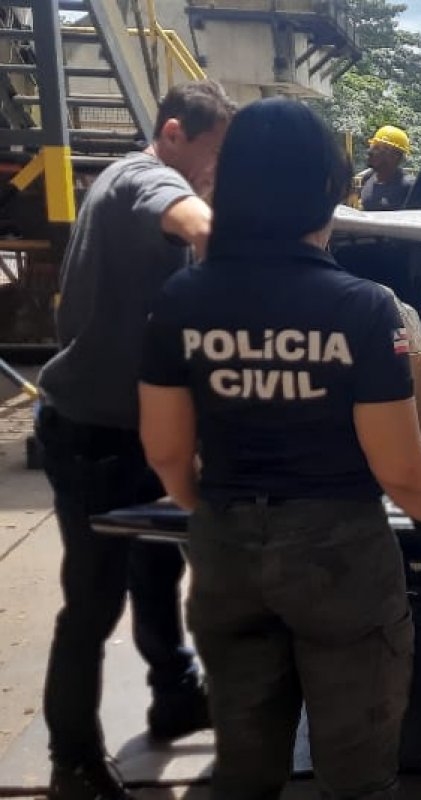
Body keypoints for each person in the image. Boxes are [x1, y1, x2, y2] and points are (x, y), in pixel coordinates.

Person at [137, 97, 421, 799]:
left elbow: (165, 451)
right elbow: (401, 470)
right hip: (339, 558)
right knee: (356, 774)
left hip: (226, 551)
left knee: (246, 770)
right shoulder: (362, 307)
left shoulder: (181, 299)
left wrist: (222, 512)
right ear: (330, 188)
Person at [34, 79, 236, 800]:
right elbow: (204, 228)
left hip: (143, 427)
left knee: (157, 571)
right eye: (209, 159)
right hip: (94, 429)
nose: (210, 175)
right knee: (91, 600)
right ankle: (73, 761)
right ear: (174, 132)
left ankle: (175, 693)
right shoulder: (141, 176)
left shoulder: (138, 181)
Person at [358, 124, 415, 210]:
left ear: (395, 156)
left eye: (377, 148)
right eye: (372, 146)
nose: (370, 151)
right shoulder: (367, 178)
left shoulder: (409, 186)